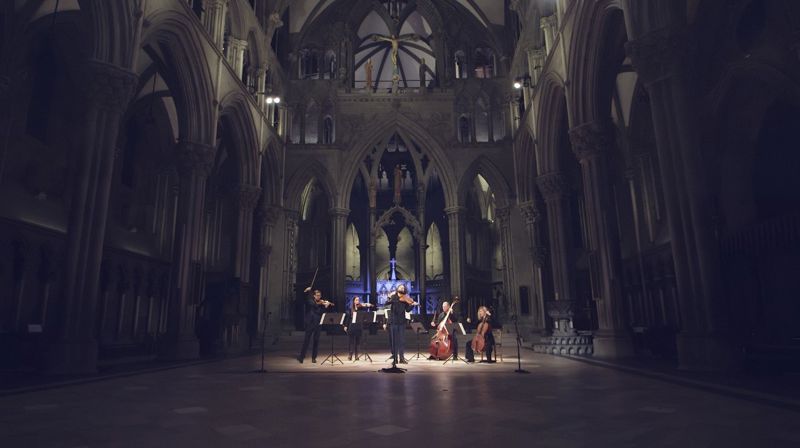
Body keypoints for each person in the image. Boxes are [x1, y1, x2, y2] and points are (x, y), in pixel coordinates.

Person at [297, 287, 333, 363]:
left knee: (316, 341)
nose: (318, 297)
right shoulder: (310, 301)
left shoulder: (321, 303)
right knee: (306, 340)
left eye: (319, 295)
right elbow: (312, 304)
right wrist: (306, 291)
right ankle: (301, 356)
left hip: (318, 324)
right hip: (310, 323)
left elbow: (322, 312)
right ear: (314, 296)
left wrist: (326, 306)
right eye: (317, 295)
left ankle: (314, 358)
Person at [385, 284, 417, 364]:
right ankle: (395, 359)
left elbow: (407, 310)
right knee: (394, 341)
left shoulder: (406, 298)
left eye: (403, 287)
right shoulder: (394, 296)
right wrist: (397, 298)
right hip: (394, 321)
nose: (402, 288)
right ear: (398, 289)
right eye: (400, 287)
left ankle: (402, 358)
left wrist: (412, 305)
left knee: (402, 341)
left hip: (402, 322)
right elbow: (387, 303)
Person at [343, 296, 373, 361]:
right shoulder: (350, 308)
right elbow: (348, 317)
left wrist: (367, 306)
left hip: (359, 326)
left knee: (358, 342)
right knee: (351, 341)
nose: (358, 301)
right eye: (356, 300)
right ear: (354, 301)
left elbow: (365, 314)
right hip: (351, 326)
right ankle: (350, 355)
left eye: (358, 300)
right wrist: (345, 326)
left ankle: (356, 356)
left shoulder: (361, 308)